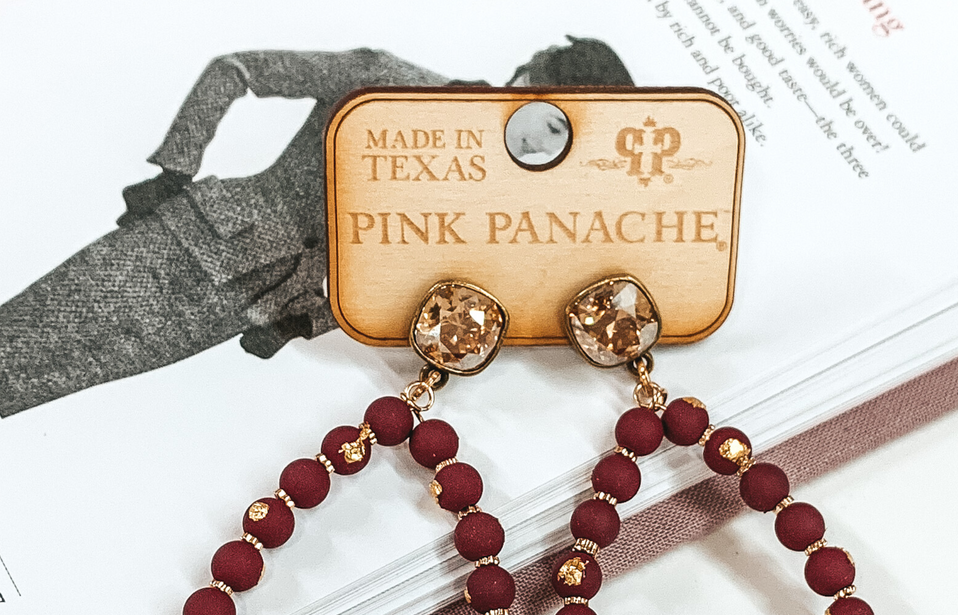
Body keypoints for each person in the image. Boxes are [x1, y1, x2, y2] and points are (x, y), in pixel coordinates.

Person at [0, 37, 633, 418]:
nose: (544, 144)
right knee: (18, 337)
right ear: (529, 77)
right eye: (551, 121)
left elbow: (389, 278)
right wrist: (174, 169)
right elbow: (237, 68)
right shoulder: (389, 81)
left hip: (238, 309)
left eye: (565, 140)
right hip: (186, 240)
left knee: (46, 383)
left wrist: (306, 317)